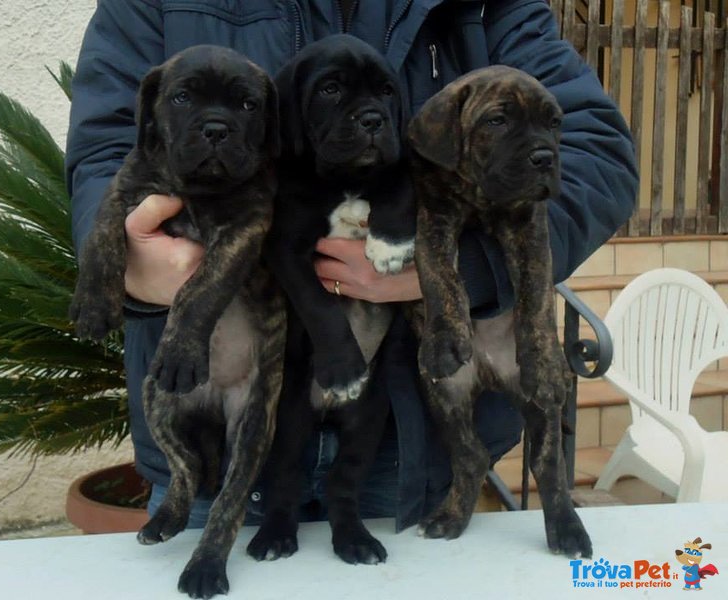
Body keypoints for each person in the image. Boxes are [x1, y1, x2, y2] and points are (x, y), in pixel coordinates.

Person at [65, 0, 638, 532]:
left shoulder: (491, 5)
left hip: (409, 442)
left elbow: (597, 150)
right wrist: (124, 258)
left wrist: (454, 270)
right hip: (215, 416)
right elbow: (108, 145)